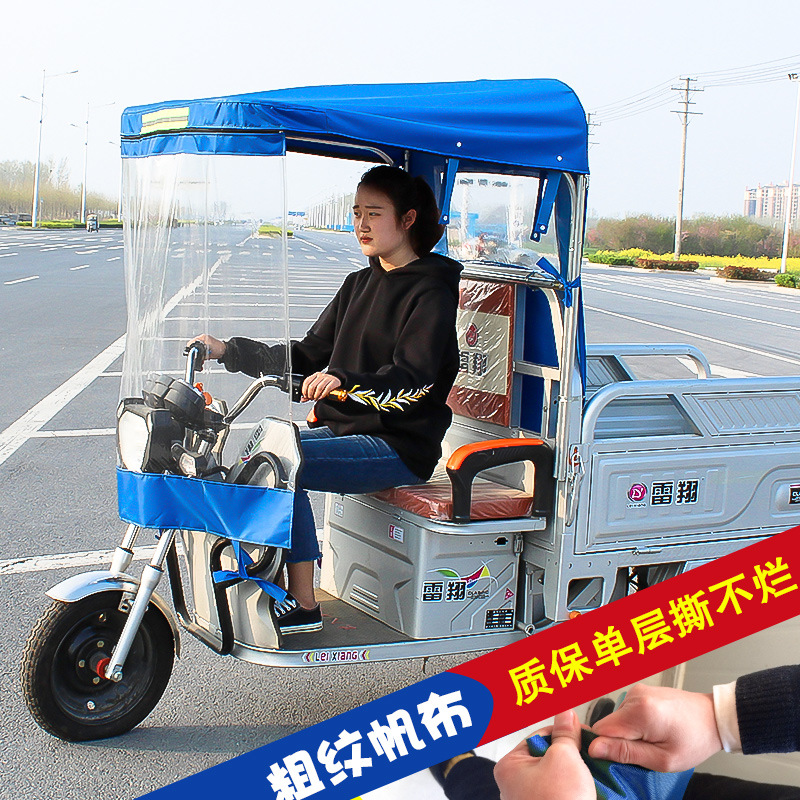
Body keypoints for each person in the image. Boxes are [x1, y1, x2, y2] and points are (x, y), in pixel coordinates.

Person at [191, 165, 462, 634]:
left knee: (282, 461)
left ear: (409, 219)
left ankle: (303, 604)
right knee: (262, 450)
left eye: (374, 214)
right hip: (345, 430)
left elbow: (414, 383)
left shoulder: (432, 291)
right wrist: (228, 351)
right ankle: (269, 572)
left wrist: (342, 381)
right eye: (356, 213)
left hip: (397, 443)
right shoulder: (359, 284)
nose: (361, 224)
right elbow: (306, 354)